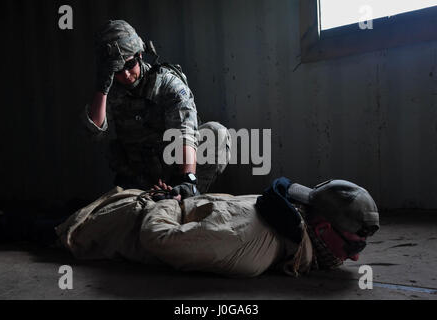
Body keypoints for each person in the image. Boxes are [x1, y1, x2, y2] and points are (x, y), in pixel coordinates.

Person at [54, 177, 380, 278]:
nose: (354, 259)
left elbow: (159, 235)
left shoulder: (264, 232)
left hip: (120, 217)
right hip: (117, 216)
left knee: (37, 224)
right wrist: (179, 199)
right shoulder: (259, 236)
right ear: (320, 229)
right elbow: (159, 235)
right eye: (355, 247)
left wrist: (174, 200)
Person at [84, 20, 231, 199]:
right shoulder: (109, 91)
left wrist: (187, 180)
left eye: (129, 65)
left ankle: (185, 194)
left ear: (139, 55)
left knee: (216, 133)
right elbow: (95, 132)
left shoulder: (167, 84)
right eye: (117, 70)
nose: (125, 75)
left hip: (177, 168)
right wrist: (102, 87)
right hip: (139, 177)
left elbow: (185, 133)